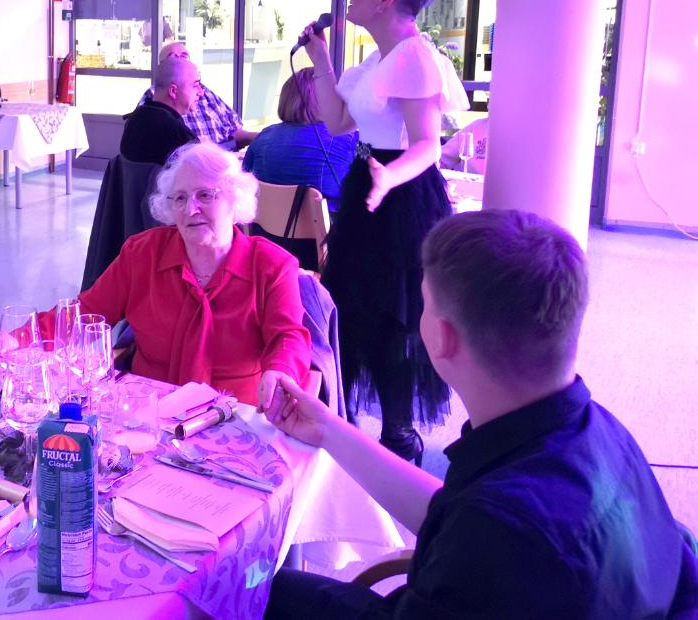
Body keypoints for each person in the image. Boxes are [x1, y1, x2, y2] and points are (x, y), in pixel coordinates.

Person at [263, 210, 695, 618]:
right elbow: (454, 511)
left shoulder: (497, 532)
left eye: (425, 303)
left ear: (443, 337)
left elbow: (481, 527)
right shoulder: (601, 431)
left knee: (250, 589)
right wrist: (329, 429)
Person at [298, 0, 467, 464]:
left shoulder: (415, 57)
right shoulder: (377, 59)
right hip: (368, 184)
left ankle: (398, 435)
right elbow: (337, 123)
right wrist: (322, 61)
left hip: (403, 195)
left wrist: (388, 177)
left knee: (395, 314)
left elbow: (428, 145)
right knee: (352, 302)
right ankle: (344, 426)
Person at [62, 141, 314, 408]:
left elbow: (288, 337)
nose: (190, 210)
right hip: (148, 410)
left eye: (204, 195)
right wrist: (30, 338)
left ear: (235, 200)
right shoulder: (143, 253)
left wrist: (280, 371)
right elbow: (85, 313)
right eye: (180, 198)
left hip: (233, 413)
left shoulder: (271, 266)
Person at [242, 68, 358, 213]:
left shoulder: (262, 138)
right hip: (332, 226)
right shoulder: (352, 140)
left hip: (265, 226)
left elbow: (243, 184)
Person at [137, 42, 256, 149]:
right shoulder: (155, 103)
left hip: (225, 156)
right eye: (173, 57)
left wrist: (261, 137)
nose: (200, 92)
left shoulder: (205, 93)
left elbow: (235, 130)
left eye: (184, 56)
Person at [120, 57, 199, 166]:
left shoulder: (133, 119)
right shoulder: (176, 133)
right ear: (173, 91)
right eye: (195, 86)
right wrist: (203, 147)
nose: (201, 92)